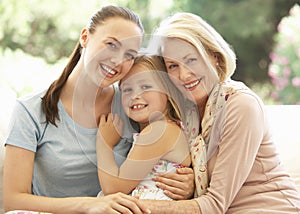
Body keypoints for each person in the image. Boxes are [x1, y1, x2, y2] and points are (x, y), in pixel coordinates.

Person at [2, 6, 194, 214]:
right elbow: (13, 201)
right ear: (85, 37)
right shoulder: (30, 111)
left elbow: (167, 148)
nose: (117, 60)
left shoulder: (132, 103)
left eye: (129, 54)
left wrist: (188, 181)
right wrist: (89, 205)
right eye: (111, 44)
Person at [139, 12, 300, 213]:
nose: (184, 75)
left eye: (191, 60)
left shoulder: (240, 105)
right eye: (173, 66)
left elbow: (214, 204)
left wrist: (128, 207)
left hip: (271, 208)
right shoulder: (185, 112)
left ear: (214, 56)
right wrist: (190, 184)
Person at [96, 55, 196, 200]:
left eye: (145, 87)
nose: (135, 95)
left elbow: (113, 189)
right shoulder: (166, 129)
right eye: (127, 89)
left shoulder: (159, 131)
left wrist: (104, 142)